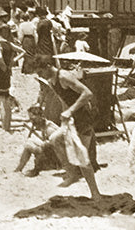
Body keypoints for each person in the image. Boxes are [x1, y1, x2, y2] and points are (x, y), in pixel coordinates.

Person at [38, 56, 101, 199]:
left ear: (48, 66)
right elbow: (63, 99)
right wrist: (64, 120)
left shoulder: (64, 76)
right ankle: (72, 173)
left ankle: (95, 193)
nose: (39, 75)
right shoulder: (52, 81)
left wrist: (70, 111)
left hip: (84, 118)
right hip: (72, 120)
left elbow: (88, 93)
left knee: (82, 157)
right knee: (55, 139)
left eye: (40, 71)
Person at [14, 105, 58, 176]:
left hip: (57, 160)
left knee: (32, 146)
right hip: (52, 155)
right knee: (30, 143)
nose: (32, 121)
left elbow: (57, 146)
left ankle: (34, 169)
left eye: (33, 119)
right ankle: (19, 168)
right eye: (30, 119)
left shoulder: (50, 128)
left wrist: (41, 147)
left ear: (40, 116)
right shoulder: (42, 125)